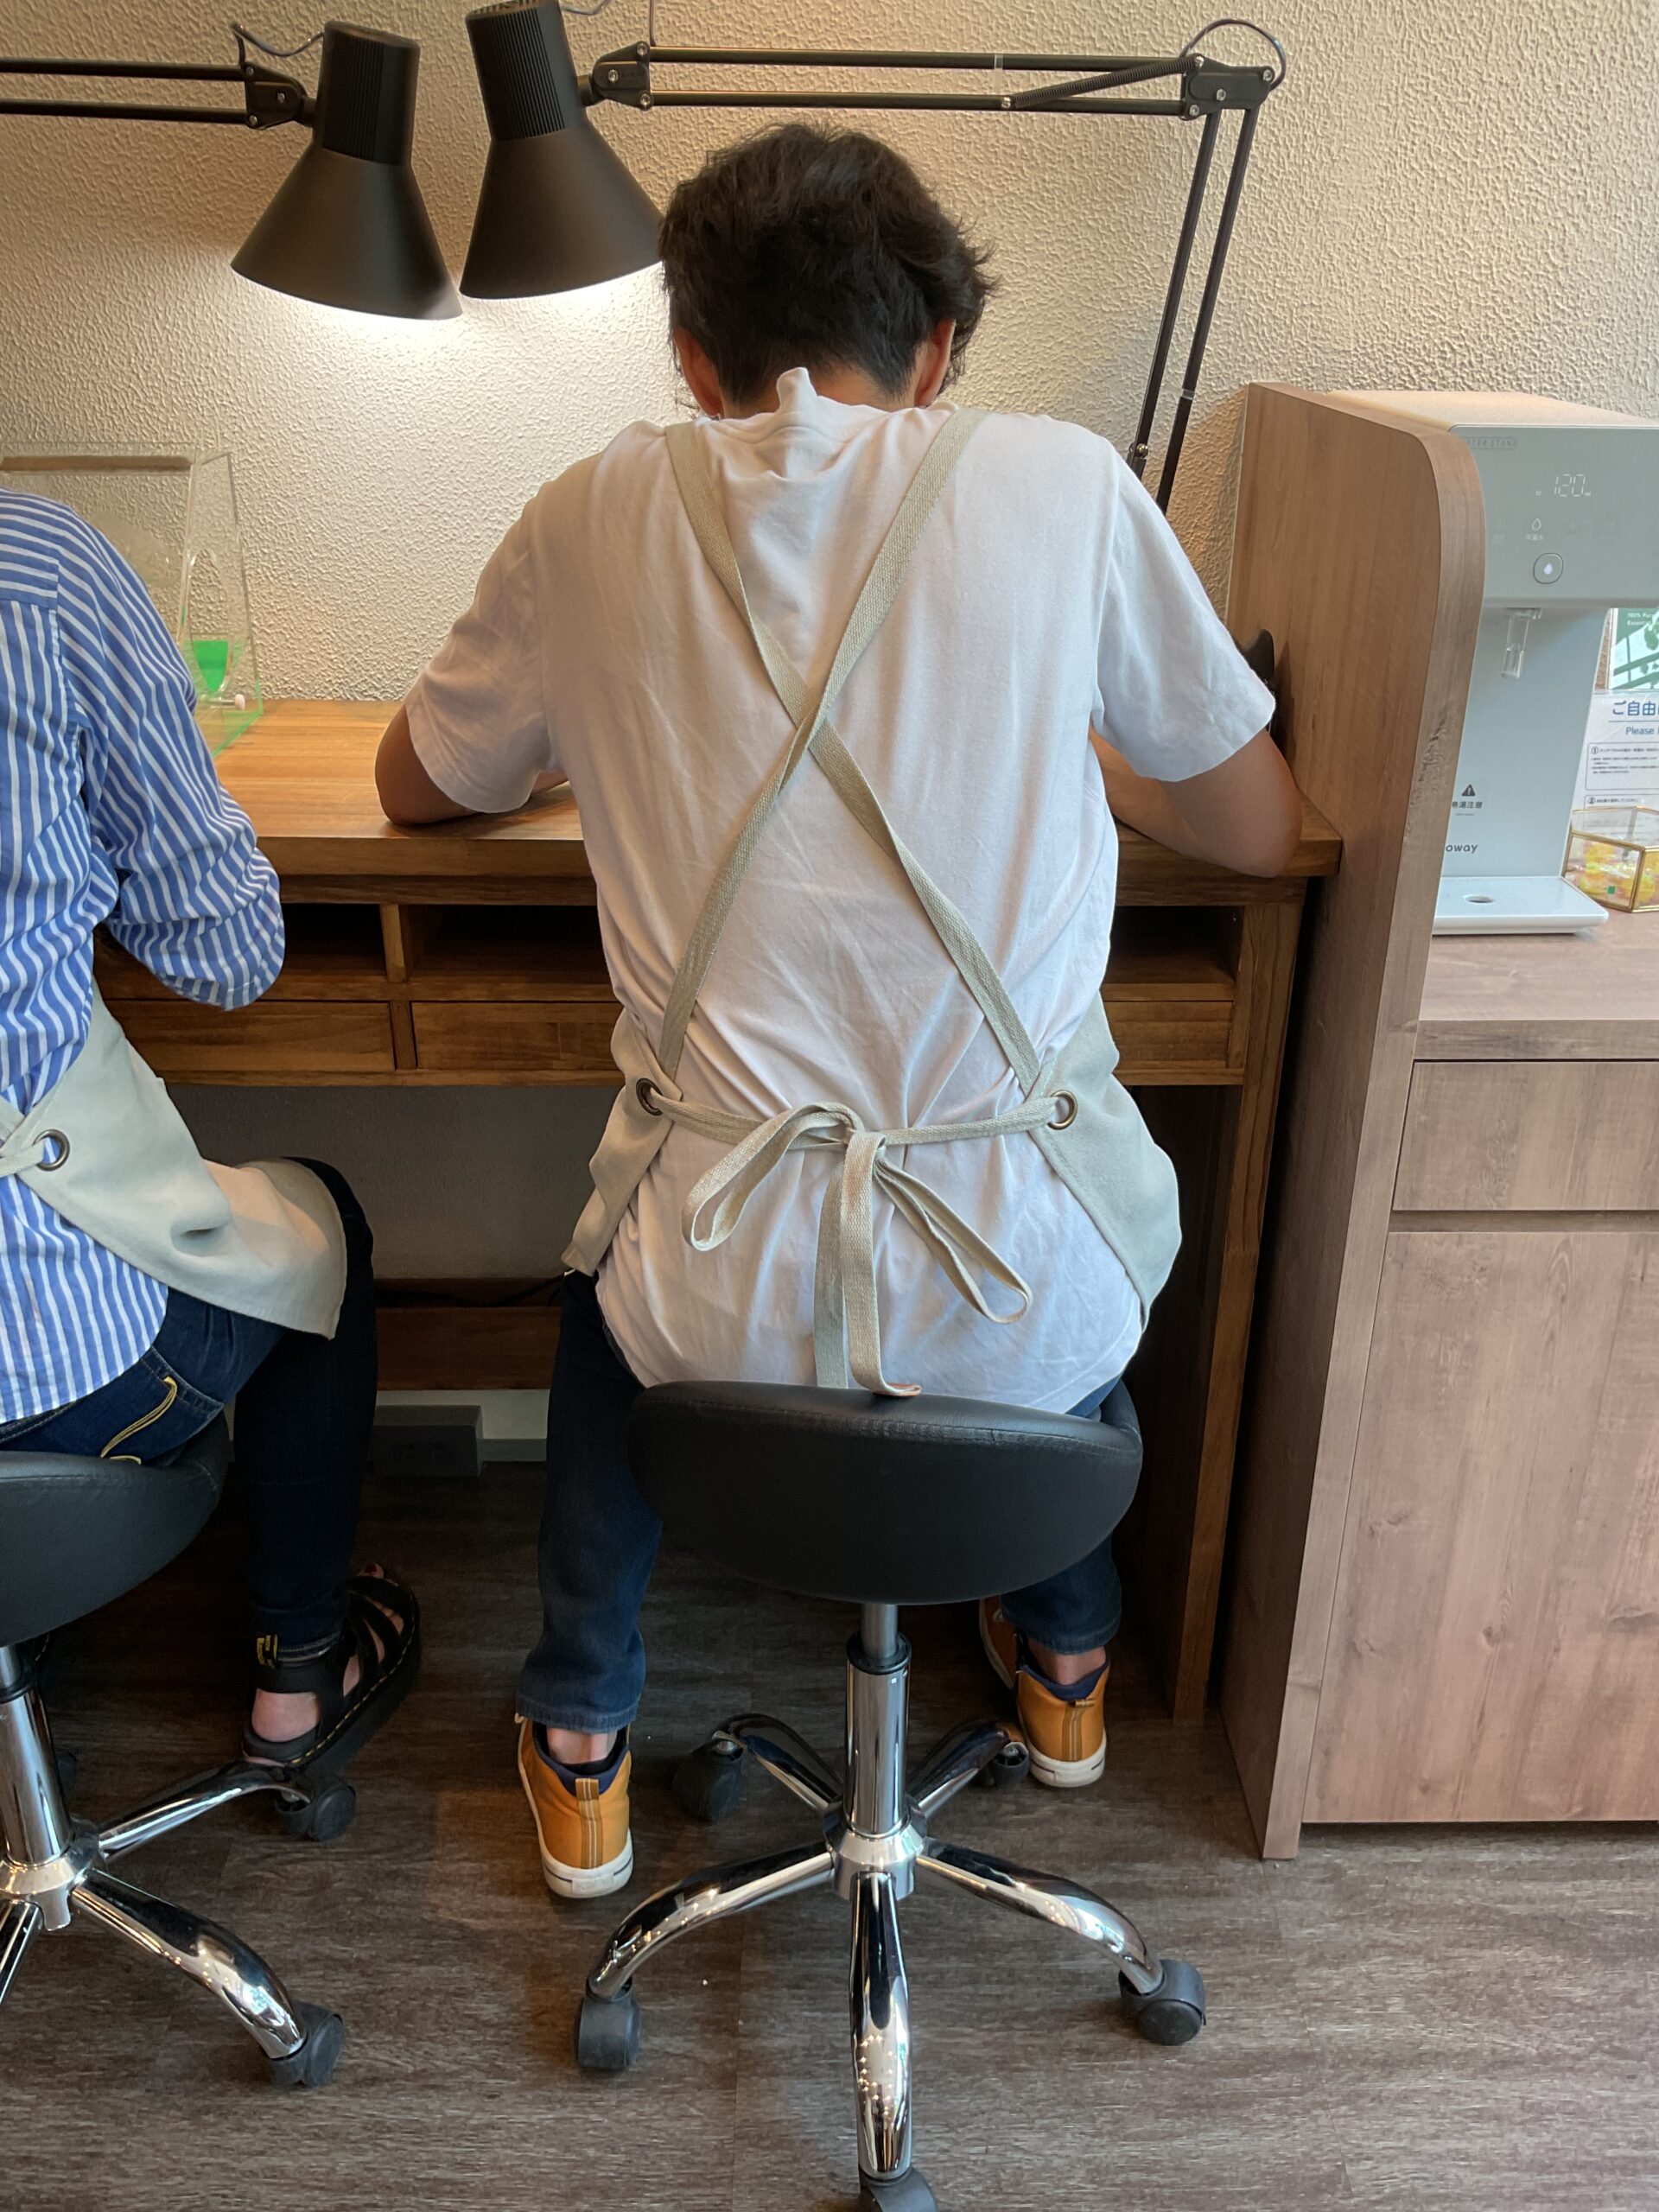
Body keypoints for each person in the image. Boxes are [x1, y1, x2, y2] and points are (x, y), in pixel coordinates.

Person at [377, 124, 1298, 1900]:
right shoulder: (1062, 486)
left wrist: (601, 730)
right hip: (1010, 1289)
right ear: (941, 352)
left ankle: (583, 1734)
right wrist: (1073, 743)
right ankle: (1069, 1659)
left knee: (607, 1284)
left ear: (690, 357)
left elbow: (419, 787)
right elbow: (1258, 827)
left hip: (719, 1312)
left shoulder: (587, 513)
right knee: (1067, 1247)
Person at [0, 489, 416, 1787]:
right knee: (318, 1225)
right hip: (61, 1374)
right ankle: (297, 1675)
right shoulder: (39, 574)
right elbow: (230, 958)